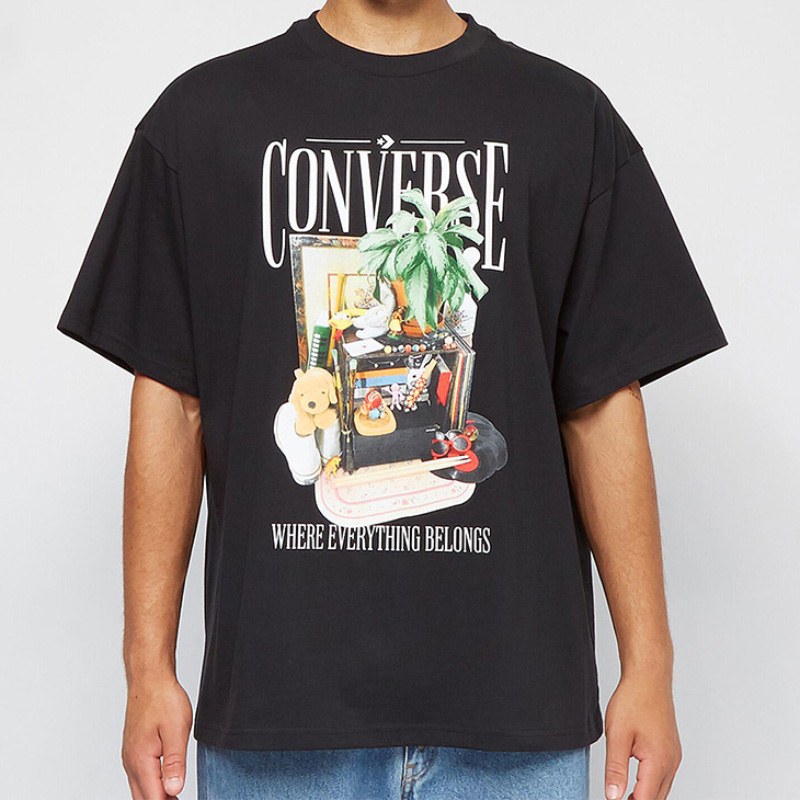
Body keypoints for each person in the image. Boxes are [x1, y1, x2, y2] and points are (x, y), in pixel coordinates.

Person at [56, 1, 728, 798]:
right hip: (279, 713)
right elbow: (173, 401)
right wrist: (147, 669)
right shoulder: (203, 117)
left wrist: (649, 666)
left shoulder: (564, 117)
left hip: (515, 718)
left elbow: (601, 403)